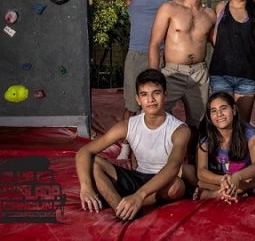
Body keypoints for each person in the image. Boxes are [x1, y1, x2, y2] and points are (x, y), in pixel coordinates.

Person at [76, 69, 195, 220]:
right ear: (138, 99)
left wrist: (139, 195)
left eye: (156, 93)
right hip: (137, 177)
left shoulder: (180, 130)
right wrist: (85, 187)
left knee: (177, 187)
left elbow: (173, 167)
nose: (150, 99)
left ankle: (130, 204)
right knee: (93, 164)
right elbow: (85, 151)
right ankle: (121, 208)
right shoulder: (127, 125)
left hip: (162, 182)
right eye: (144, 95)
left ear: (165, 95)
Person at [93, 0, 178, 160]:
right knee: (132, 105)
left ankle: (162, 147)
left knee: (163, 104)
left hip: (165, 56)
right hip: (138, 54)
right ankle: (125, 147)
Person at [148, 0, 217, 156]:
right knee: (156, 116)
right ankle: (152, 161)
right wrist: (154, 77)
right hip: (172, 72)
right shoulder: (169, 8)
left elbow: (219, 45)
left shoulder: (210, 14)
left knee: (198, 122)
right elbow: (154, 43)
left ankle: (192, 164)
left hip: (199, 74)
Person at [195, 92, 255, 202]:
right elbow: (201, 171)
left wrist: (237, 177)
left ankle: (218, 194)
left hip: (243, 179)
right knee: (187, 172)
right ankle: (236, 191)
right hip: (217, 180)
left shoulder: (249, 133)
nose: (219, 114)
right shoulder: (205, 136)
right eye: (214, 111)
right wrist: (222, 180)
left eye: (223, 108)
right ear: (209, 117)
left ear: (234, 110)